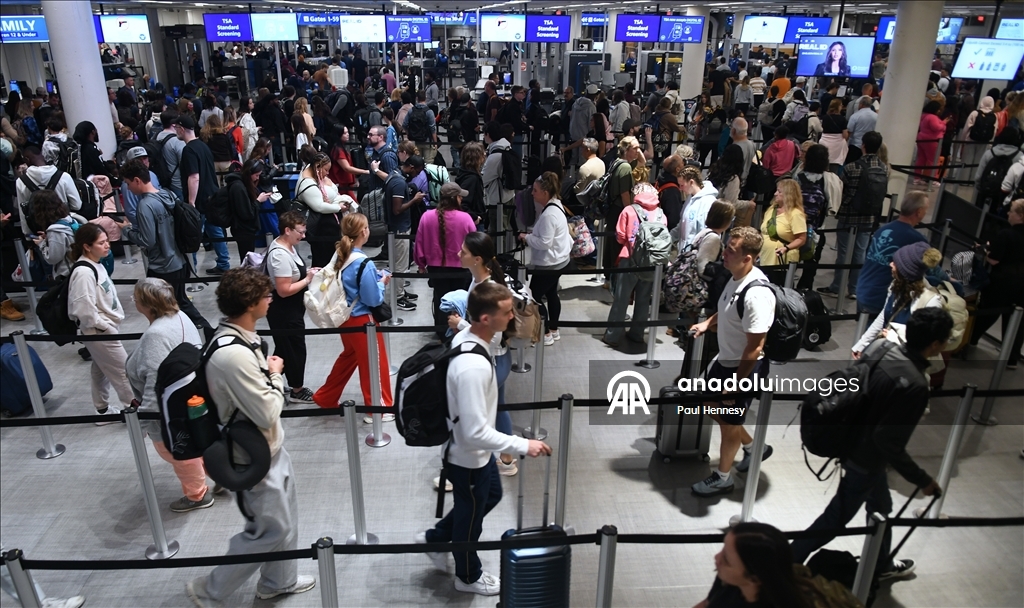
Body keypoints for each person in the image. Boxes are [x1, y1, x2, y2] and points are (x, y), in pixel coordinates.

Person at [185, 268, 316, 607]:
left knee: (285, 521)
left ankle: (278, 581)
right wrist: (275, 377)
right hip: (251, 453)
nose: (270, 298)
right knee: (269, 530)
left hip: (269, 446)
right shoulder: (234, 354)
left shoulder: (241, 337)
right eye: (265, 295)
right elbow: (267, 411)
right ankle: (210, 589)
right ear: (250, 303)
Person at [792, 307, 951, 581]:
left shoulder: (883, 348)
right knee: (836, 519)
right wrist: (922, 479)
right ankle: (788, 560)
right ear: (935, 344)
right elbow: (888, 442)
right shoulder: (915, 385)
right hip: (865, 460)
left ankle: (881, 563)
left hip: (850, 441)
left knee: (880, 507)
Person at [415, 281, 551, 596]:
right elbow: (475, 432)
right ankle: (467, 575)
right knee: (471, 514)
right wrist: (522, 445)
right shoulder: (472, 367)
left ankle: (437, 539)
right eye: (506, 312)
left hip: (475, 454)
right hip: (467, 455)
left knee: (488, 497)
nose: (512, 317)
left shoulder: (471, 336)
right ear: (485, 319)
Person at [690, 226, 775, 496]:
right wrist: (708, 323)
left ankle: (723, 477)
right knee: (708, 404)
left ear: (748, 257)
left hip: (743, 369)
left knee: (728, 423)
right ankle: (754, 447)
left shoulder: (757, 295)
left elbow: (756, 346)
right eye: (726, 246)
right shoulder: (735, 276)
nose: (724, 253)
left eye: (731, 249)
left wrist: (737, 383)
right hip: (725, 360)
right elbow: (726, 308)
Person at [125, 278, 215, 512]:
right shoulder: (181, 316)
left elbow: (155, 378)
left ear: (146, 303)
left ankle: (197, 495)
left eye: (135, 297)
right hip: (194, 398)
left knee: (181, 455)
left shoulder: (155, 335)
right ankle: (221, 476)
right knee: (200, 443)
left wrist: (145, 419)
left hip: (170, 411)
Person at [446, 233, 518, 475]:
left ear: (477, 259)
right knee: (498, 409)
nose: (459, 254)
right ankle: (506, 460)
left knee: (473, 415)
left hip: (493, 360)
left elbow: (494, 334)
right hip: (492, 358)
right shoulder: (478, 281)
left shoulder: (489, 289)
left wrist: (460, 324)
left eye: (463, 252)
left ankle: (465, 469)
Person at [311, 214, 394, 419]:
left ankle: (326, 397)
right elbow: (372, 299)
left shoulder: (340, 254)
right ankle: (378, 409)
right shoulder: (364, 262)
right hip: (362, 320)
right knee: (374, 364)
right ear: (364, 232)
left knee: (349, 358)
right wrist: (381, 283)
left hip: (344, 318)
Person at [120, 159, 214, 339]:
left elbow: (147, 240)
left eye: (128, 183)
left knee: (166, 305)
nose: (128, 188)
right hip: (179, 260)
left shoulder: (145, 205)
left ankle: (203, 333)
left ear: (137, 180)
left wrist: (126, 230)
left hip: (162, 266)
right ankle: (201, 333)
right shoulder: (168, 195)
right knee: (180, 302)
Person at [695, 522, 861, 608]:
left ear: (754, 578)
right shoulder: (731, 580)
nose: (717, 558)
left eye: (727, 559)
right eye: (723, 549)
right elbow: (708, 603)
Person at [67, 224, 135, 422]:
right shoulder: (83, 272)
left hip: (104, 328)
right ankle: (134, 410)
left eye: (107, 241)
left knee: (100, 370)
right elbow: (84, 309)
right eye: (101, 243)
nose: (107, 246)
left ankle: (102, 410)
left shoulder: (96, 264)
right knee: (124, 371)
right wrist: (106, 327)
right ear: (87, 246)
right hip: (99, 331)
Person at [820, 131, 887, 299]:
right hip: (869, 216)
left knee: (843, 253)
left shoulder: (852, 167)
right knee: (860, 252)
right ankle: (854, 289)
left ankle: (837, 287)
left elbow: (844, 192)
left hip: (849, 216)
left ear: (863, 145)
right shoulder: (883, 168)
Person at [851, 242, 945, 358]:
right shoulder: (896, 285)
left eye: (895, 263)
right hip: (886, 354)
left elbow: (926, 341)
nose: (891, 264)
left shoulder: (930, 301)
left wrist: (894, 337)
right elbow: (884, 316)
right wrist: (862, 344)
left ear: (906, 271)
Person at [603, 183, 667, 348]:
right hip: (651, 263)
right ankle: (637, 334)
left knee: (621, 299)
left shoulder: (629, 210)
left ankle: (613, 335)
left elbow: (620, 237)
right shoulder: (660, 214)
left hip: (629, 259)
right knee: (643, 299)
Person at [265, 211, 319, 404]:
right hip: (284, 310)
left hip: (292, 309)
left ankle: (273, 379)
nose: (303, 236)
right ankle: (297, 389)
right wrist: (308, 279)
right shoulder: (279, 255)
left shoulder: (289, 246)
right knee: (295, 349)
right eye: (300, 232)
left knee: (284, 347)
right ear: (287, 230)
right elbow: (284, 290)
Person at [855, 192, 931, 317]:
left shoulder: (883, 230)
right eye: (925, 210)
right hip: (881, 297)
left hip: (863, 289)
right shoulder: (916, 239)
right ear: (918, 212)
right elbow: (931, 270)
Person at [415, 182, 477, 336]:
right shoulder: (466, 219)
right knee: (462, 300)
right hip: (462, 268)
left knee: (440, 299)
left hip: (436, 269)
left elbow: (419, 243)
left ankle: (442, 333)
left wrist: (421, 264)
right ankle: (460, 331)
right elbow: (475, 244)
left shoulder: (426, 217)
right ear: (456, 198)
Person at [518, 172, 572, 346]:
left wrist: (526, 237)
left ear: (545, 193)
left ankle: (546, 333)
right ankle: (554, 329)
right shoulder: (556, 206)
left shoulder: (549, 214)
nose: (532, 193)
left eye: (535, 190)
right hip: (560, 260)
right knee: (551, 293)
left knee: (534, 296)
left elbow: (544, 243)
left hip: (551, 263)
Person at [970, 198, 1024, 368]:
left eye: (1012, 211)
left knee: (987, 312)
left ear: (1020, 215)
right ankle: (1011, 358)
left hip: (1002, 282)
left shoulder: (1006, 234)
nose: (1008, 213)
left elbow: (994, 260)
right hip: (1022, 284)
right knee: (1016, 321)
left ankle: (971, 340)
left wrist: (985, 251)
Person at [173, 115, 229, 275]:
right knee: (215, 231)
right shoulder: (204, 146)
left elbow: (194, 176)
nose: (176, 130)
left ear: (182, 129)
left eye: (177, 128)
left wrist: (191, 202)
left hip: (199, 199)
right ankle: (224, 263)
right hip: (211, 194)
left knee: (193, 234)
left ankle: (192, 268)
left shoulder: (189, 150)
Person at [295, 148, 352, 269]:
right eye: (326, 170)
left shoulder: (313, 174)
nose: (327, 173)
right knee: (323, 262)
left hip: (327, 228)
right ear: (317, 166)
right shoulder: (307, 183)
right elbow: (319, 206)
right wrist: (338, 207)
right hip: (321, 231)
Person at [602, 136, 642, 271]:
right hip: (619, 210)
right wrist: (630, 213)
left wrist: (634, 143)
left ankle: (608, 274)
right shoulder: (625, 167)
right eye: (635, 148)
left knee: (611, 243)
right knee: (616, 245)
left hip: (614, 209)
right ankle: (613, 276)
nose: (638, 151)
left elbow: (642, 161)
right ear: (626, 150)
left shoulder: (620, 162)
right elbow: (625, 194)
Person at [758, 179, 807, 284]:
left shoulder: (795, 214)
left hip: (781, 261)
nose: (775, 194)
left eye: (779, 192)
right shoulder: (771, 209)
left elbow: (801, 239)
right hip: (765, 257)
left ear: (788, 194)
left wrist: (786, 248)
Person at [222, 159, 272, 261]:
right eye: (256, 175)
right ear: (249, 173)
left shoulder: (243, 184)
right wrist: (258, 201)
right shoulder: (238, 187)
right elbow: (246, 213)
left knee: (248, 258)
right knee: (246, 259)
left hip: (247, 228)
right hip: (243, 229)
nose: (257, 178)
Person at [26, 190, 78, 280]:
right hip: (75, 270)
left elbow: (52, 258)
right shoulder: (69, 220)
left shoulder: (55, 230)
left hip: (66, 275)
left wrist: (41, 244)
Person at [974, 127, 1023, 210]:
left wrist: (981, 189)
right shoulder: (1019, 156)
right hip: (1004, 197)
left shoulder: (989, 153)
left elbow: (978, 177)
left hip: (986, 192)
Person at [677, 165, 722, 249]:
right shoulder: (690, 198)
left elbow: (706, 233)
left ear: (691, 182)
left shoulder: (708, 203)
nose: (680, 188)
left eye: (682, 185)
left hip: (696, 254)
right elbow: (682, 224)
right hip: (685, 253)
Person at [915, 101, 949, 186]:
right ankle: (933, 179)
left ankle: (917, 178)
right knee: (933, 160)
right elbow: (937, 128)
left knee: (921, 159)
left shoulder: (923, 116)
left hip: (921, 138)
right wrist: (944, 123)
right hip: (932, 140)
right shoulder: (933, 117)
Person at [328, 126, 365, 201]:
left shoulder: (339, 148)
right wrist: (365, 171)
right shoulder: (338, 150)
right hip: (342, 186)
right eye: (345, 133)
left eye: (347, 132)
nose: (347, 134)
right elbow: (347, 168)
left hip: (345, 185)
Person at [454, 142, 487, 228]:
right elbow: (463, 203)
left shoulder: (464, 173)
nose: (484, 155)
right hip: (474, 222)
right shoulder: (472, 178)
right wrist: (475, 217)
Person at [845, 96, 877, 164]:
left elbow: (849, 131)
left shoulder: (855, 116)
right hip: (869, 146)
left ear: (861, 104)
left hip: (855, 145)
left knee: (852, 165)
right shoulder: (876, 116)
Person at [819, 99, 849, 171]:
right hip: (837, 145)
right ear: (838, 107)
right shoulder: (842, 119)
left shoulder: (825, 117)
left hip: (824, 141)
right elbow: (845, 135)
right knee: (834, 167)